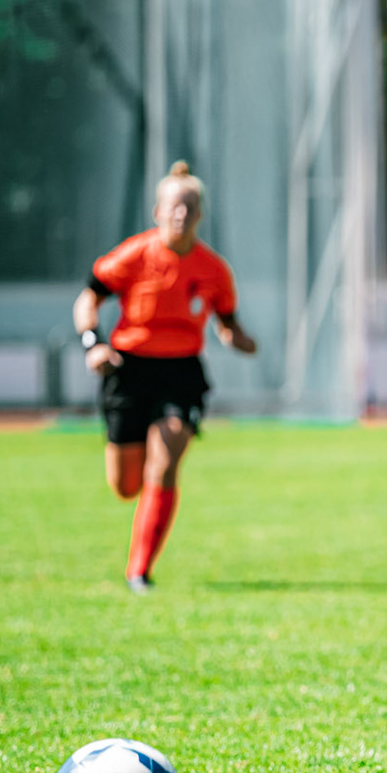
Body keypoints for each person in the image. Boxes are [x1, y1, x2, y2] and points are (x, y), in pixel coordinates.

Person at [73, 161, 258, 592]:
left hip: (181, 372)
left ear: (200, 215)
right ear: (157, 211)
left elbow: (227, 323)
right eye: (174, 207)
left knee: (168, 455)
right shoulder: (134, 255)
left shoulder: (214, 270)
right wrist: (92, 342)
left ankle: (139, 570)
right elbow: (88, 298)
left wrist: (240, 340)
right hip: (129, 369)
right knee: (125, 485)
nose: (181, 215)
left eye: (190, 208)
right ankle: (143, 524)